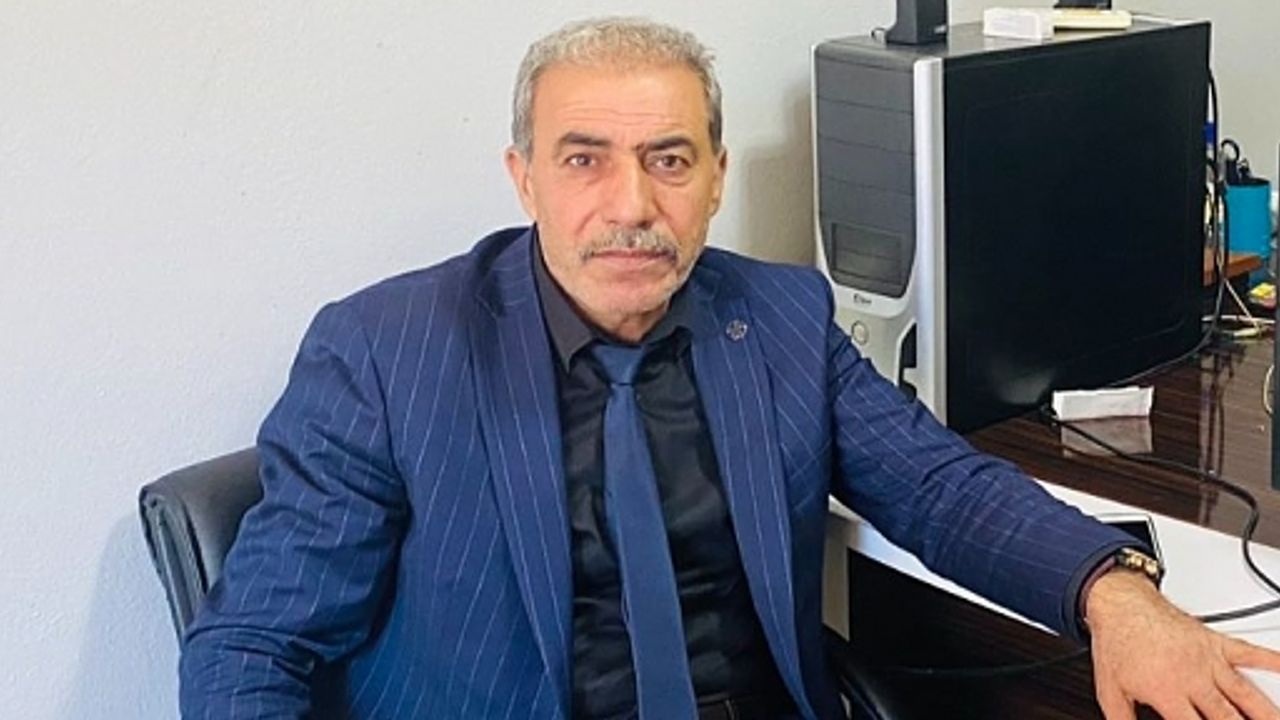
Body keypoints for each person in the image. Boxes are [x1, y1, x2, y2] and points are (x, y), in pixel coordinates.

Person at [180, 16, 1280, 720]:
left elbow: (936, 485)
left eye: (668, 160)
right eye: (583, 159)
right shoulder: (387, 352)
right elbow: (255, 648)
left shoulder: (779, 318)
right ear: (523, 179)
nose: (630, 205)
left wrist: (1112, 594)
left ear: (714, 178)